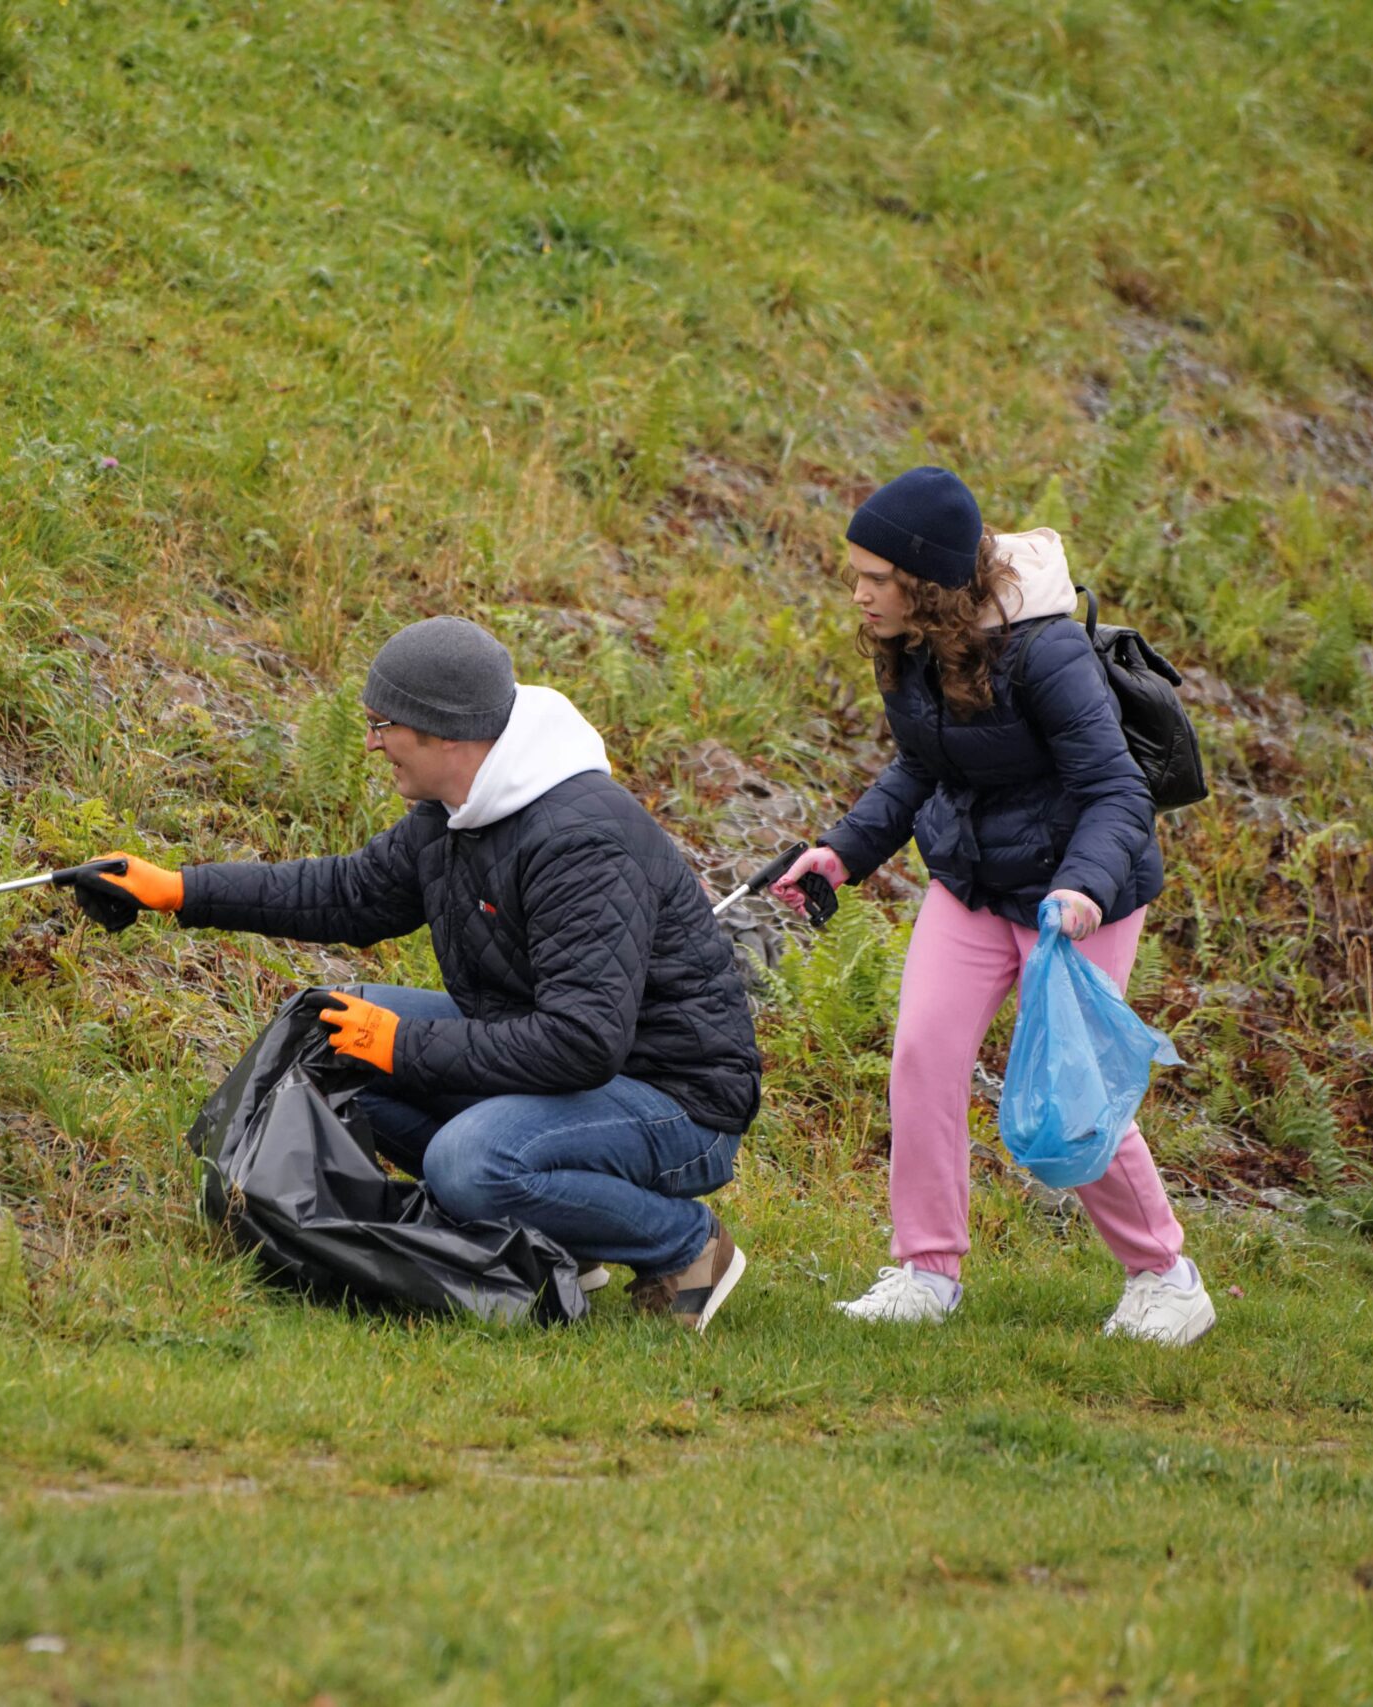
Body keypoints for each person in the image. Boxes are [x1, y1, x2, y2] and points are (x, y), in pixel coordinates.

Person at [75, 617, 760, 1331]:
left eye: (383, 723)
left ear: (447, 733)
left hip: (677, 1102)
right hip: (569, 1067)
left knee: (467, 1164)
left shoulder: (578, 838)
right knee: (333, 1032)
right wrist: (177, 890)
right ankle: (562, 1239)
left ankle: (685, 1245)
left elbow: (583, 1040)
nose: (370, 741)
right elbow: (346, 894)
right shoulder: (455, 811)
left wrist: (401, 1044)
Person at [769, 466, 1214, 1346]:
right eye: (856, 574)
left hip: (1078, 897)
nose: (858, 594)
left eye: (875, 578)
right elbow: (920, 766)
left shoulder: (1046, 651)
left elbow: (1118, 790)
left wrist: (1082, 887)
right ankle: (926, 1270)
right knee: (923, 1054)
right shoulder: (910, 646)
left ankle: (1167, 1277)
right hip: (973, 881)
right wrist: (844, 851)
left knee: (1072, 1091)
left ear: (926, 583)